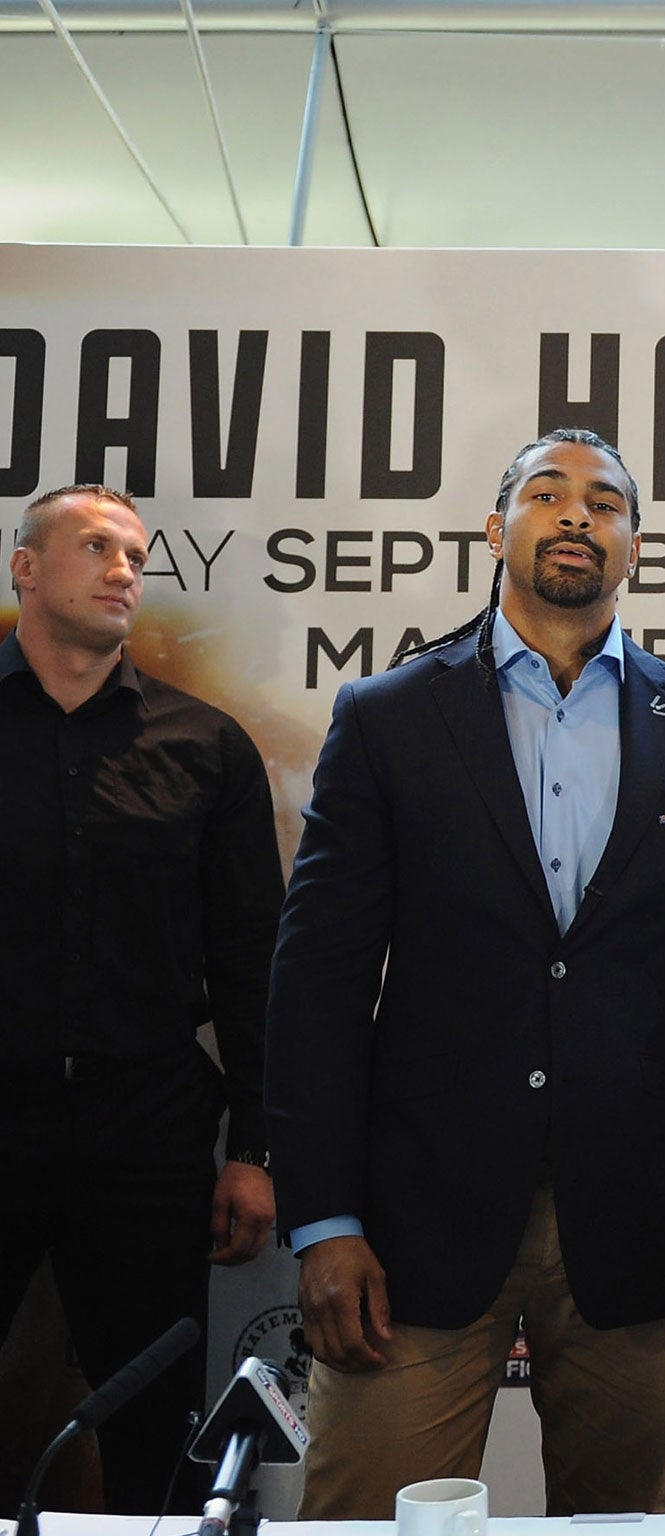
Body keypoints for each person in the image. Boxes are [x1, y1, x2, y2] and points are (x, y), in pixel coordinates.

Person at [266, 429, 665, 1517]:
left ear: (633, 546)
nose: (578, 515)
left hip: (643, 1230)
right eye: (547, 494)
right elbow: (317, 988)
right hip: (413, 1221)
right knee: (368, 1521)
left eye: (606, 504)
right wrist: (322, 1219)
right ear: (495, 528)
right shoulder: (387, 719)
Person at [1, 484, 280, 1512]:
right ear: (26, 569)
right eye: (95, 547)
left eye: (136, 554)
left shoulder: (205, 746)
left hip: (146, 1131)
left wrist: (256, 1150)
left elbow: (256, 964)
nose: (124, 569)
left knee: (154, 1425)